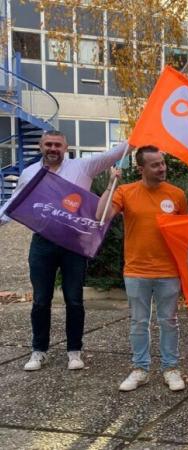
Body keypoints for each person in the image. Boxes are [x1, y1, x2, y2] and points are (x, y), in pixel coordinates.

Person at [0, 131, 129, 372]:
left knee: (74, 299)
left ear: (66, 147)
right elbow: (15, 202)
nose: (52, 148)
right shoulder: (30, 174)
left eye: (57, 145)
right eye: (48, 144)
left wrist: (137, 137)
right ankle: (39, 351)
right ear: (41, 146)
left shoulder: (83, 167)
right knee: (40, 300)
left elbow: (115, 153)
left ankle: (74, 351)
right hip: (42, 243)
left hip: (74, 244)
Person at [96, 146, 188, 392]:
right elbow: (101, 216)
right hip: (136, 270)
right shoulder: (126, 192)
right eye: (155, 165)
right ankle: (140, 369)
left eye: (162, 163)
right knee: (139, 322)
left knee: (169, 321)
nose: (162, 168)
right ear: (141, 168)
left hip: (168, 271)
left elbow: (185, 233)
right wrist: (111, 184)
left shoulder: (177, 195)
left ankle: (171, 368)